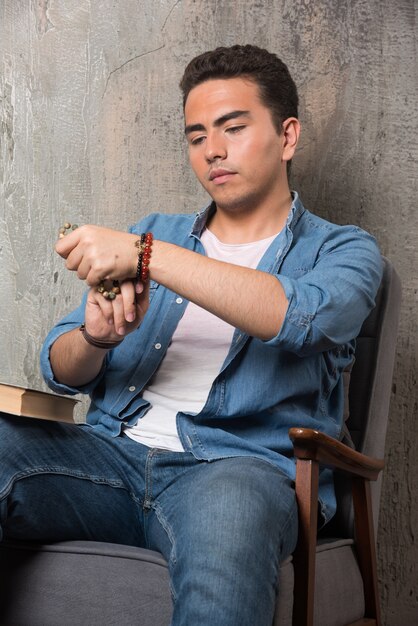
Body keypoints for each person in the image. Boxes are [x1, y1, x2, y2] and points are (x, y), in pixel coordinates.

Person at [0, 45, 382, 625]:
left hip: (237, 469)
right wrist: (96, 340)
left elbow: (301, 317)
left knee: (229, 526)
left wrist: (148, 257)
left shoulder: (342, 249)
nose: (213, 151)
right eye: (197, 135)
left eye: (233, 128)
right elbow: (59, 363)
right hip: (110, 457)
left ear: (288, 137)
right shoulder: (155, 232)